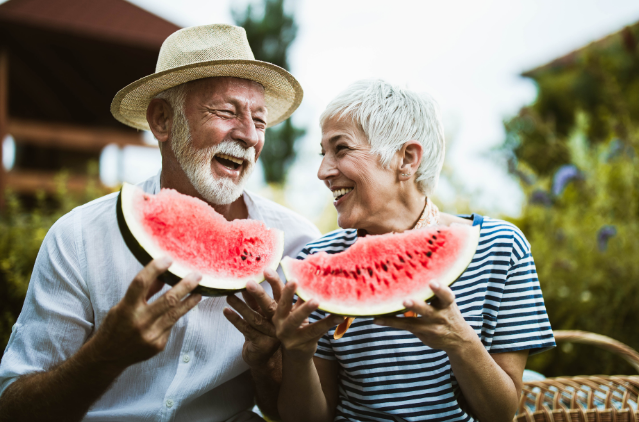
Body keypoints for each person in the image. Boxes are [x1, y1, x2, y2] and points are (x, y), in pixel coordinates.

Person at [0, 24, 320, 422]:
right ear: (162, 120)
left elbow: (296, 413)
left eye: (260, 120)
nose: (249, 136)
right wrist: (103, 357)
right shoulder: (79, 237)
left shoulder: (297, 245)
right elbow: (13, 409)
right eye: (227, 111)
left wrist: (267, 362)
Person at [273, 79, 556, 422]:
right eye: (323, 153)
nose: (323, 171)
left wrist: (460, 341)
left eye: (341, 149)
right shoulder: (317, 264)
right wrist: (297, 355)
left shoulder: (499, 247)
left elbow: (500, 413)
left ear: (406, 158)